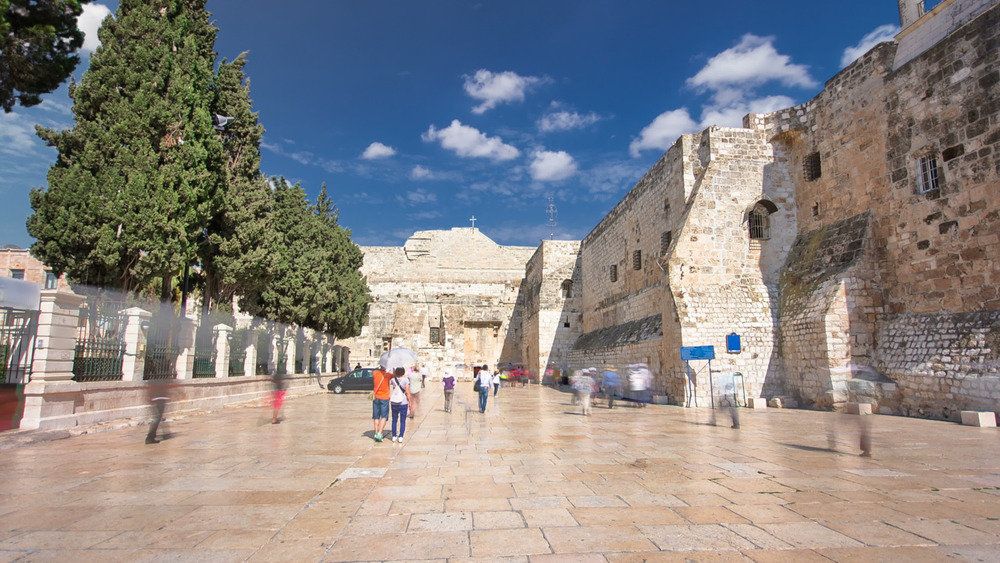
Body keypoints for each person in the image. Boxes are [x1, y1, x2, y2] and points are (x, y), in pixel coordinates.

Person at [389, 367, 412, 442]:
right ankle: (401, 436)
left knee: (394, 420)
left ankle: (394, 436)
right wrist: (410, 403)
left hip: (394, 402)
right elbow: (407, 392)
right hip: (403, 402)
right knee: (402, 420)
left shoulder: (393, 380)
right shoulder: (405, 380)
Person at [145, 379, 171, 444]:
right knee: (157, 419)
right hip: (159, 401)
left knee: (158, 418)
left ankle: (153, 435)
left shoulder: (156, 382)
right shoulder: (162, 382)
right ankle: (150, 437)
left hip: (157, 401)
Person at [371, 365, 391, 442]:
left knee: (376, 416)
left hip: (376, 397)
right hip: (384, 397)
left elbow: (374, 372)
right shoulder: (388, 375)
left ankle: (376, 432)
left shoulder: (375, 372)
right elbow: (395, 374)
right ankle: (379, 433)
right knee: (384, 416)